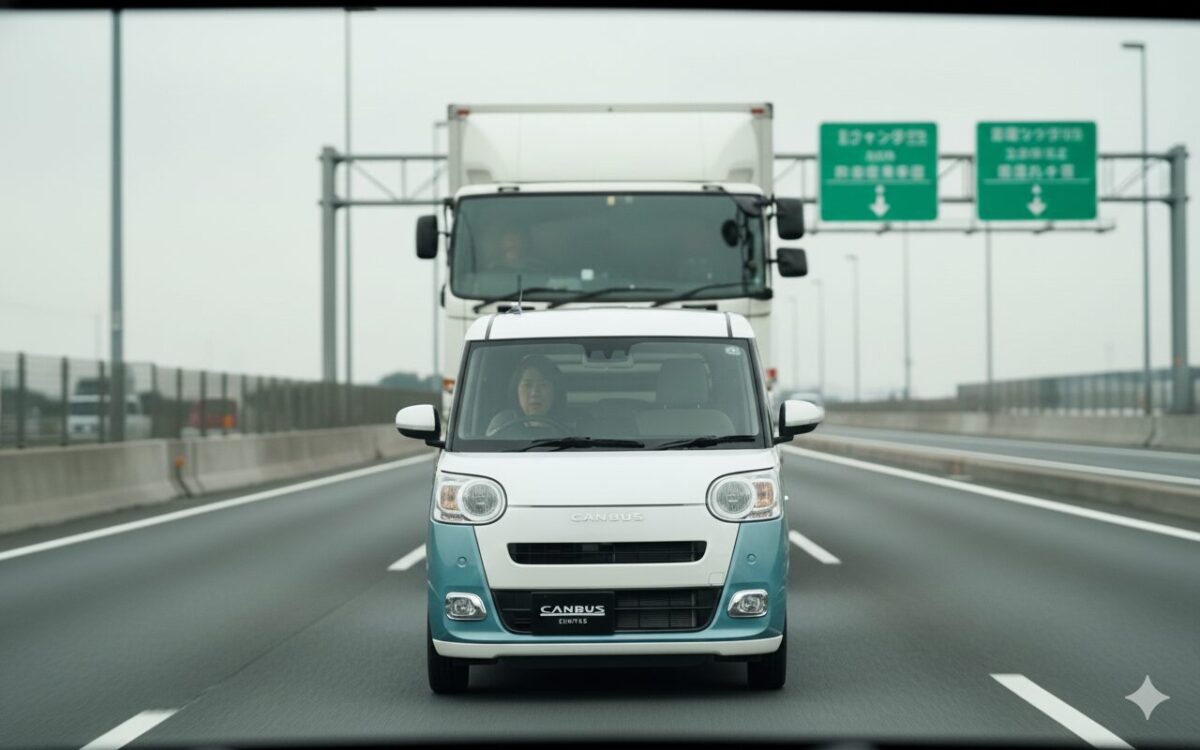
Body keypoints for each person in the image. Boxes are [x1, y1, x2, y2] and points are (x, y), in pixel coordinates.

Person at [486, 354, 570, 436]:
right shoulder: (502, 423)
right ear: (516, 390)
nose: (534, 393)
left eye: (543, 385)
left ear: (555, 391)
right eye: (527, 385)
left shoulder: (569, 427)